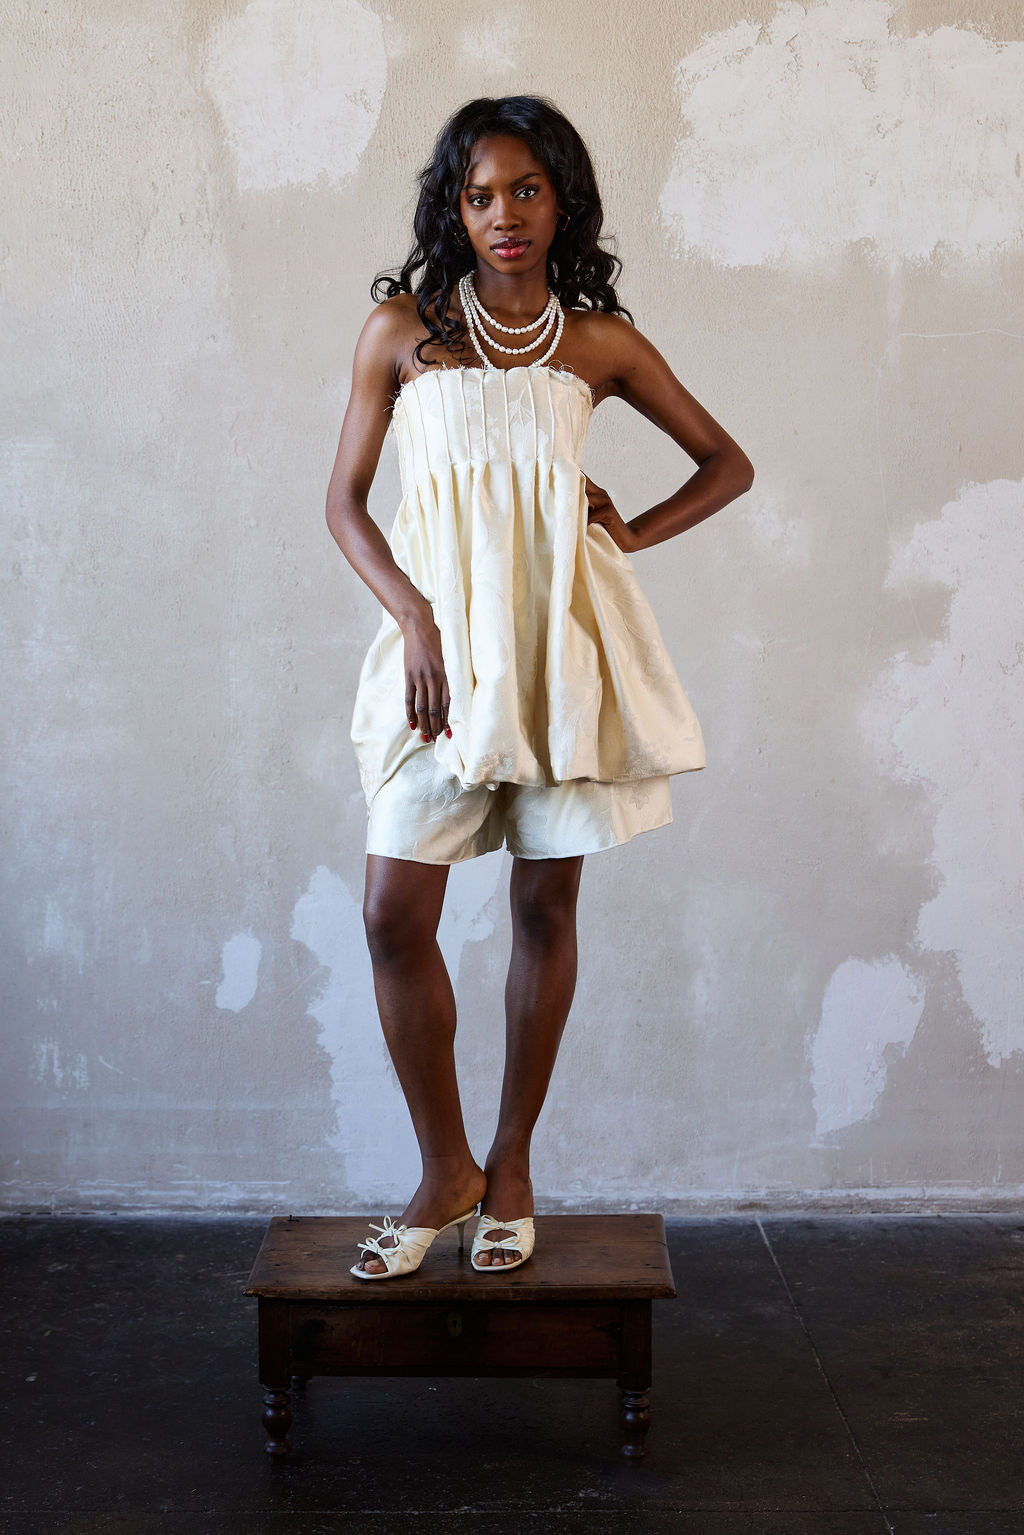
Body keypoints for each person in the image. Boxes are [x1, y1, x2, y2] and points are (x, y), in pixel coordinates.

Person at [324, 95, 754, 1280]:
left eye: (525, 189)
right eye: (478, 196)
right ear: (452, 211)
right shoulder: (401, 331)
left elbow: (727, 462)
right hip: (437, 666)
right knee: (392, 913)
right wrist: (413, 615)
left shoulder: (599, 343)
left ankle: (509, 1165)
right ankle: (444, 1168)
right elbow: (344, 504)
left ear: (562, 199)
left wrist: (632, 530)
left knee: (543, 909)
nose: (502, 214)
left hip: (560, 654)